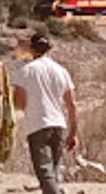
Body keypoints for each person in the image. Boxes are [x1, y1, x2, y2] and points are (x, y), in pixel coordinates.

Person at [12, 33, 77, 194]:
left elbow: (19, 103)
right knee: (53, 171)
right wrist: (73, 133)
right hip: (58, 124)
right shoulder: (61, 71)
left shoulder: (25, 71)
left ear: (31, 49)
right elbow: (71, 104)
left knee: (45, 172)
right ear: (49, 49)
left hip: (37, 125)